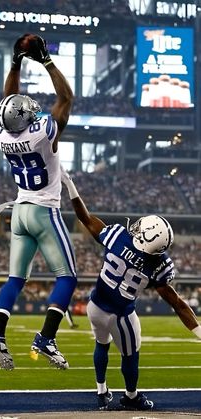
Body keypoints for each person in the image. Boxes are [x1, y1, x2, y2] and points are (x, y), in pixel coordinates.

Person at [61, 168, 201, 411]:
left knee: (101, 344)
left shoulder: (117, 236)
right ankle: (131, 396)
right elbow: (178, 304)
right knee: (130, 355)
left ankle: (102, 391)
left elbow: (85, 217)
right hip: (121, 315)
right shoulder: (158, 265)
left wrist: (70, 184)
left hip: (95, 306)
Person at [0, 34, 77, 371]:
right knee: (67, 278)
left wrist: (15, 62)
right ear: (26, 118)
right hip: (43, 210)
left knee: (15, 280)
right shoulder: (42, 132)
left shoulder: (1, 131)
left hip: (19, 211)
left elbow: (7, 101)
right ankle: (46, 338)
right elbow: (66, 97)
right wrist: (47, 61)